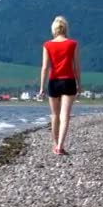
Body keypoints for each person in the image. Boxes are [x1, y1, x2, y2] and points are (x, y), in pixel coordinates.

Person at [38, 16, 81, 155]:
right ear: (66, 28)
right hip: (68, 81)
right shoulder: (73, 44)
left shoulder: (47, 45)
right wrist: (79, 84)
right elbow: (76, 67)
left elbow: (45, 67)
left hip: (53, 82)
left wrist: (41, 87)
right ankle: (60, 146)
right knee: (65, 115)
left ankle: (55, 144)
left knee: (54, 115)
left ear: (54, 29)